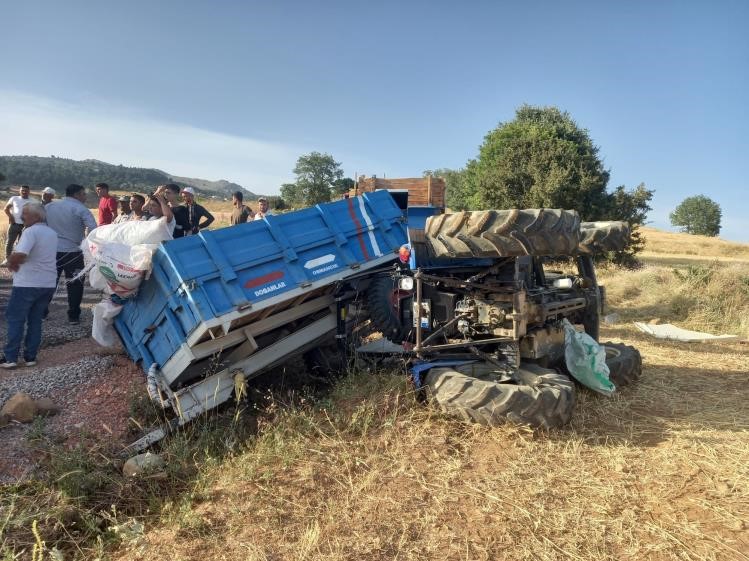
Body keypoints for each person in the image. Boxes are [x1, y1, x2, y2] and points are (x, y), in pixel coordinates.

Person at [1, 203, 58, 368]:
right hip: (47, 283)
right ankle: (30, 357)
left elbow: (21, 253)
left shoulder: (30, 232)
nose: (22, 217)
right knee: (35, 321)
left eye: (25, 214)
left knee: (15, 319)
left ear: (36, 216)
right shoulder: (52, 233)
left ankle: (10, 358)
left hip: (27, 283)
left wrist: (12, 262)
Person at [45, 184, 97, 325]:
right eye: (84, 194)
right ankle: (73, 315)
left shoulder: (49, 207)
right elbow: (94, 230)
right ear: (77, 195)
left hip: (51, 251)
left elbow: (42, 225)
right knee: (75, 284)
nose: (85, 197)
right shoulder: (81, 209)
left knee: (48, 281)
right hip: (73, 252)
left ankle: (41, 312)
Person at [3, 185, 36, 265]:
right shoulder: (14, 199)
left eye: (26, 191)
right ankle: (7, 259)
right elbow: (6, 209)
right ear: (20, 191)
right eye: (22, 190)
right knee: (10, 242)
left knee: (22, 244)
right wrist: (11, 217)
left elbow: (36, 213)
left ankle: (18, 260)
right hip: (14, 224)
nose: (24, 192)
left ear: (29, 191)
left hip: (26, 226)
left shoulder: (33, 201)